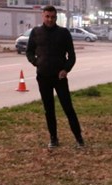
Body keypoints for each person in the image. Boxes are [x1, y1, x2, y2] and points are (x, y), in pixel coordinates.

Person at [27, 6, 84, 149]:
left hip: (59, 78)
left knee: (68, 108)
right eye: (47, 16)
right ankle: (53, 139)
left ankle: (79, 138)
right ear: (43, 16)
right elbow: (29, 51)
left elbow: (72, 56)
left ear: (56, 17)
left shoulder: (63, 33)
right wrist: (35, 61)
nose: (50, 19)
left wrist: (66, 69)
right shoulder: (36, 32)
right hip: (43, 77)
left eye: (52, 17)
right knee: (49, 109)